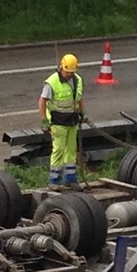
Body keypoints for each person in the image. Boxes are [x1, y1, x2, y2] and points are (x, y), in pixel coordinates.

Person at [38, 54, 85, 189]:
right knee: (58, 149)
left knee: (71, 149)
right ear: (61, 68)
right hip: (58, 121)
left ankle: (70, 178)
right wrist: (44, 121)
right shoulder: (52, 82)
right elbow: (42, 102)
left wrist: (82, 112)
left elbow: (79, 98)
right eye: (67, 72)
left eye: (72, 72)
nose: (69, 75)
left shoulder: (77, 80)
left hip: (72, 120)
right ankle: (54, 180)